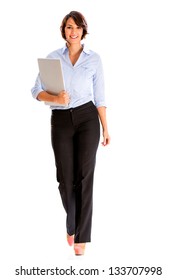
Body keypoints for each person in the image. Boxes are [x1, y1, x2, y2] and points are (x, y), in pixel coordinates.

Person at [31, 11, 110, 256]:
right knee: (65, 179)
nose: (72, 31)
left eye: (76, 27)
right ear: (63, 31)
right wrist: (54, 98)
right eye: (68, 27)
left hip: (87, 118)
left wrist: (106, 127)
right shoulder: (52, 59)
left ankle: (81, 237)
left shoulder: (94, 59)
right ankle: (72, 224)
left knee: (85, 177)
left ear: (83, 30)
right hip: (62, 119)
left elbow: (100, 97)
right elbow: (35, 90)